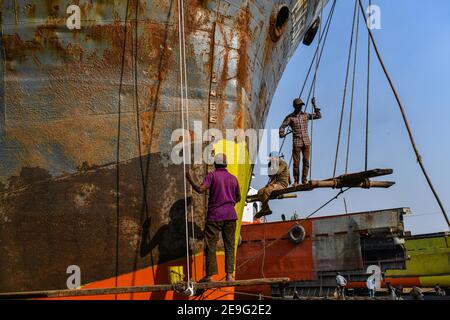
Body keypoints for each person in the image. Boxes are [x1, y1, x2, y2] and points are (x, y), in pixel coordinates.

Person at [186, 154, 241, 283]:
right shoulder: (233, 179)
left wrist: (190, 179)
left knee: (211, 245)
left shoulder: (212, 176)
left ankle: (210, 276)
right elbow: (237, 198)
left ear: (215, 164)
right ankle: (229, 276)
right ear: (226, 164)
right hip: (230, 216)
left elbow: (200, 189)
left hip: (215, 216)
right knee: (230, 246)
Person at [279, 97, 322, 186]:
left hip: (306, 142)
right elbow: (282, 126)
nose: (300, 107)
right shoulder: (290, 117)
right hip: (297, 142)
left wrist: (314, 105)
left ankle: (304, 180)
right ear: (294, 106)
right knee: (296, 163)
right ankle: (296, 181)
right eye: (298, 105)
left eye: (301, 105)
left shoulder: (305, 115)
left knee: (306, 161)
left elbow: (318, 116)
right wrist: (281, 133)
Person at [254, 152, 290, 219]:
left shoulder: (283, 163)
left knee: (267, 190)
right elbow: (270, 174)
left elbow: (277, 172)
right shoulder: (271, 164)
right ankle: (266, 208)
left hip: (281, 184)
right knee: (260, 192)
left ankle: (264, 209)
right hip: (274, 183)